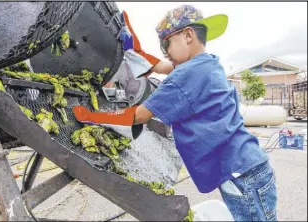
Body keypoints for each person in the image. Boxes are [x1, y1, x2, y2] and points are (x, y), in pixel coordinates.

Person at [73, 4, 278, 221]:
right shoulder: (207, 63)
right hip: (249, 167)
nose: (166, 53)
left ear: (188, 35)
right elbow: (161, 66)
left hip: (241, 174)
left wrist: (92, 116)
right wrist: (136, 51)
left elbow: (139, 115)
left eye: (166, 44)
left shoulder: (186, 74)